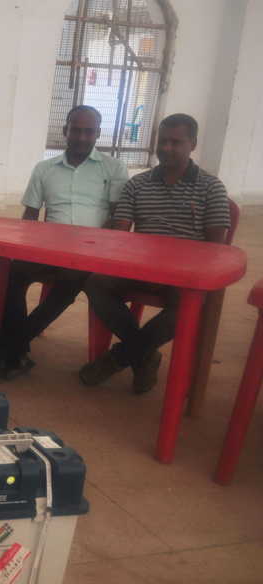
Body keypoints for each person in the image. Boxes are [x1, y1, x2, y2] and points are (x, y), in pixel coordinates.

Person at [79, 113, 230, 394]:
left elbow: (215, 250)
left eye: (176, 142)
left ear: (192, 144)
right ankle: (145, 354)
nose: (167, 148)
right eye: (163, 141)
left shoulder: (211, 188)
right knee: (95, 282)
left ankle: (120, 357)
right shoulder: (138, 184)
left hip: (184, 276)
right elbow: (121, 233)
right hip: (140, 268)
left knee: (189, 304)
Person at [0, 105, 129, 378]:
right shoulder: (44, 169)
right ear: (65, 131)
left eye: (88, 132)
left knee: (71, 278)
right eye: (76, 130)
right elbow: (30, 216)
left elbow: (118, 219)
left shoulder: (114, 169)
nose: (81, 137)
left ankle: (13, 346)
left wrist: (96, 247)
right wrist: (26, 246)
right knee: (13, 271)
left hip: (91, 253)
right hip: (47, 249)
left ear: (97, 134)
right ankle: (16, 348)